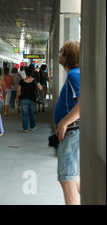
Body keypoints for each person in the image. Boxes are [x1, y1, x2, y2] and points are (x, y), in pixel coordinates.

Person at [54, 40, 80, 205]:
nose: (59, 54)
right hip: (73, 131)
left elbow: (82, 104)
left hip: (71, 131)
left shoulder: (74, 74)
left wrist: (63, 123)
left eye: (62, 51)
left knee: (67, 177)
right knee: (72, 175)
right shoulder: (76, 73)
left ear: (68, 56)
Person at [16, 66, 42, 132]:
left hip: (23, 99)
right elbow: (41, 88)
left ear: (25, 73)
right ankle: (32, 126)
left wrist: (17, 98)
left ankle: (26, 128)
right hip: (32, 99)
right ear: (32, 73)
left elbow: (18, 90)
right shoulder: (35, 80)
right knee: (32, 113)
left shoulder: (21, 81)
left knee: (25, 114)